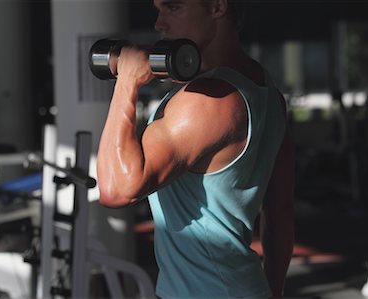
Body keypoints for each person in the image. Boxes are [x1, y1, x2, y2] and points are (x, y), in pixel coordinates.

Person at [96, 0, 295, 298]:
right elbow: (279, 213)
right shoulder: (268, 91)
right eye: (159, 10)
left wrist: (126, 82)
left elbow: (116, 190)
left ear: (217, 7)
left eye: (173, 8)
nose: (159, 24)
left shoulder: (207, 100)